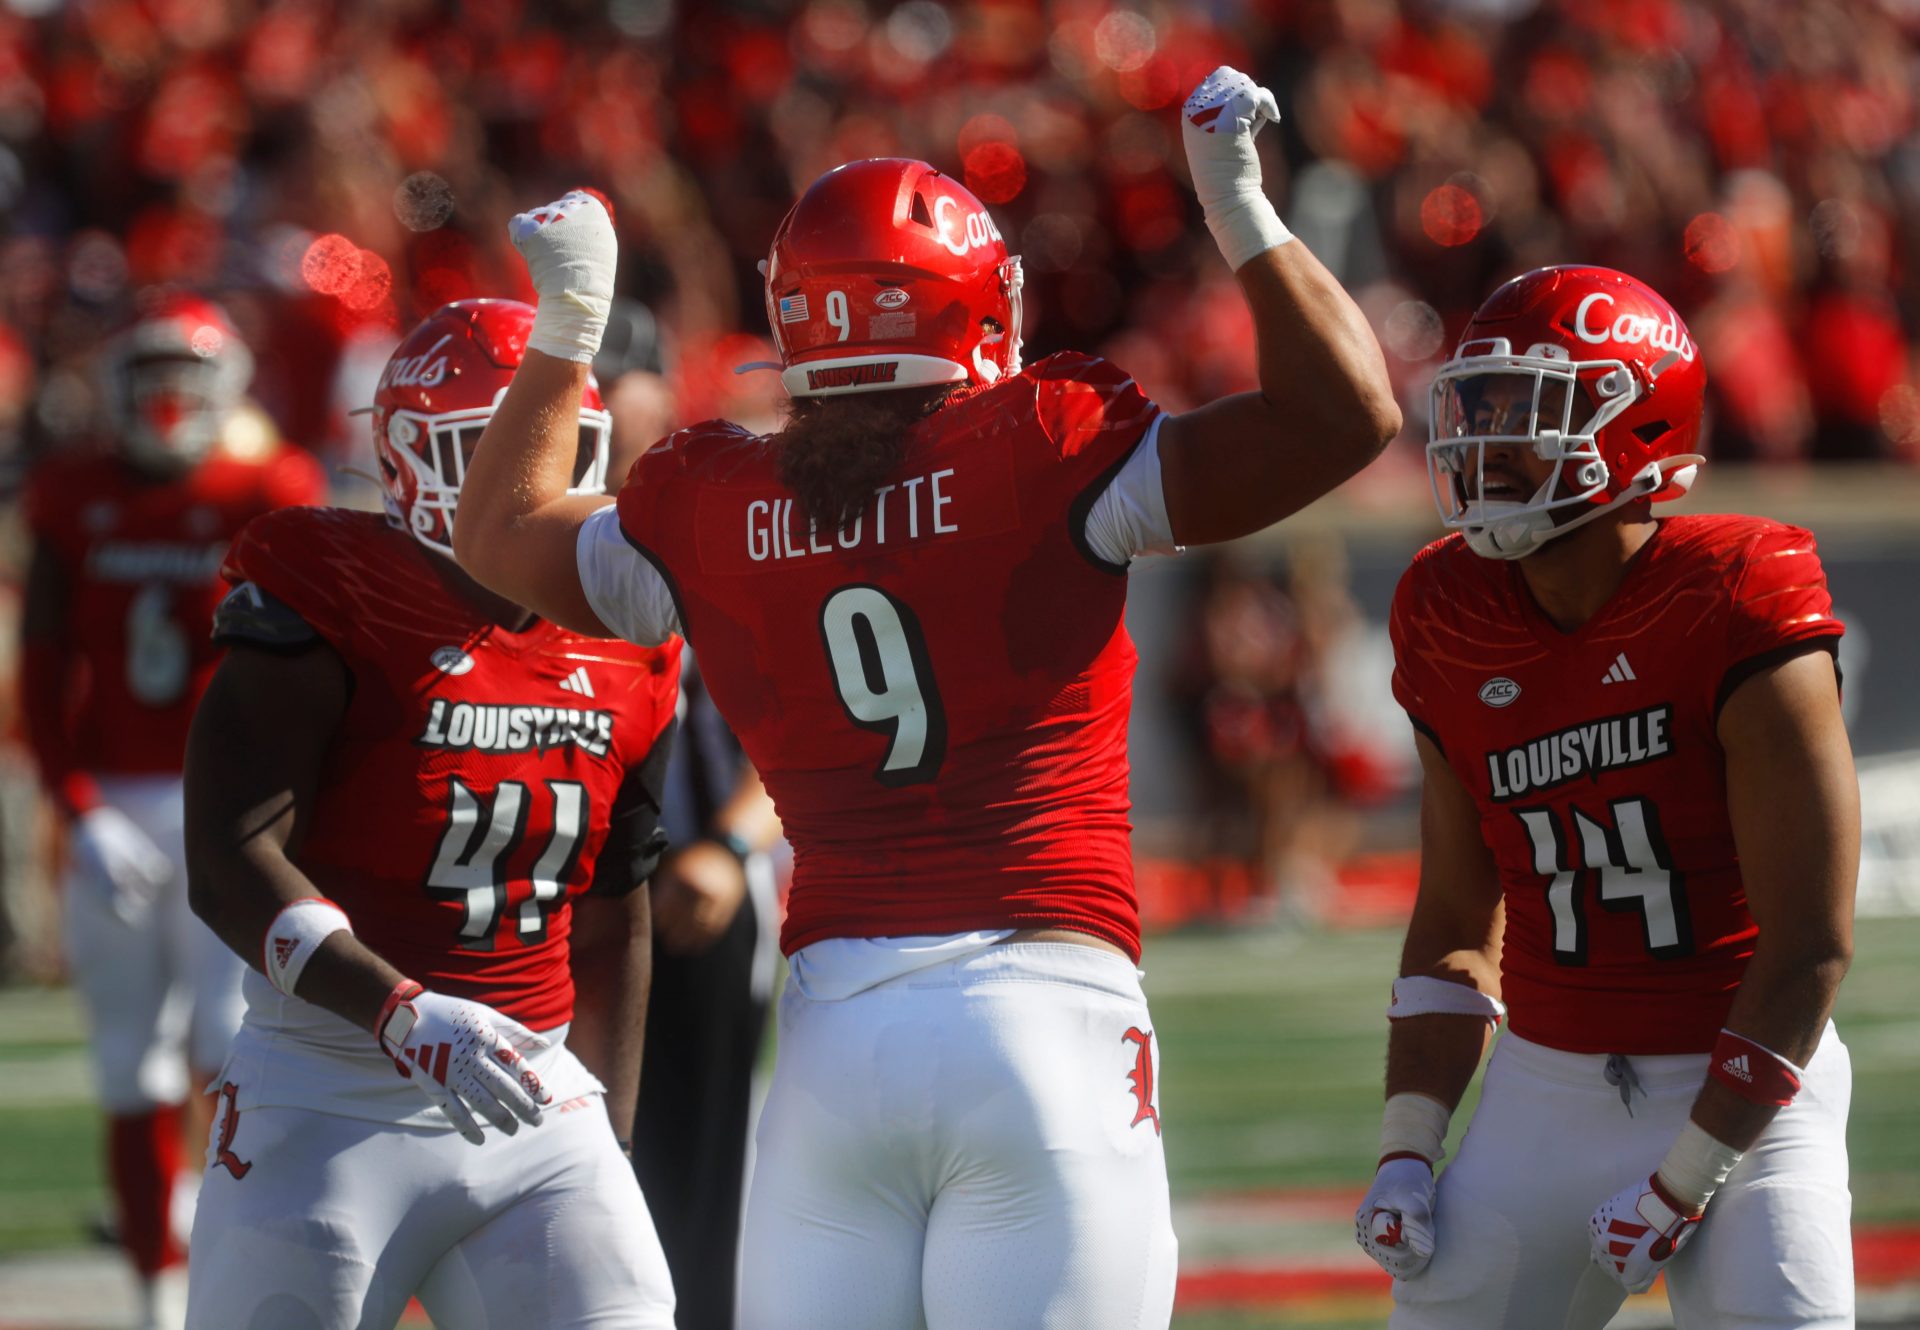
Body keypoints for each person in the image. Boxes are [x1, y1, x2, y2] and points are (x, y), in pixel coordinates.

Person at [455, 67, 1399, 1329]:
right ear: (972, 306)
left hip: (837, 1048)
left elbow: (501, 532)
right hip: (1044, 1019)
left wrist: (567, 327)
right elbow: (1348, 413)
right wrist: (1239, 210)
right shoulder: (1045, 442)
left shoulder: (711, 498)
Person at [1353, 266, 1857, 1328]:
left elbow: (1809, 943)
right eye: (1475, 410)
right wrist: (1408, 1146)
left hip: (1750, 1091)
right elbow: (1453, 920)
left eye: (1522, 413)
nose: (1482, 446)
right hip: (1547, 1089)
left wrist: (1686, 1180)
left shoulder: (1736, 591)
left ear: (1637, 426)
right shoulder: (1445, 607)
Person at [179, 298, 681, 1330]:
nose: (517, 484)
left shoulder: (624, 628)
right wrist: (399, 1010)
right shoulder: (332, 583)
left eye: (547, 449)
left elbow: (616, 900)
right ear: (407, 457)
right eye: (481, 449)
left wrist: (609, 1131)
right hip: (328, 1090)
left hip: (535, 1088)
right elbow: (230, 857)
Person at [17, 291, 326, 1330]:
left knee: (233, 1050)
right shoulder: (73, 495)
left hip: (228, 807)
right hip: (116, 804)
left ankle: (224, 1278)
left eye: (182, 383)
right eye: (148, 383)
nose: (165, 405)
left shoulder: (267, 487)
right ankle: (153, 1297)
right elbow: (44, 661)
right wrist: (75, 802)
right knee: (128, 1060)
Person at [631, 653, 782, 1330]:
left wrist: (727, 846)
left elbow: (796, 740)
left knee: (707, 1170)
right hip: (574, 892)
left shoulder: (726, 575)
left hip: (707, 887)